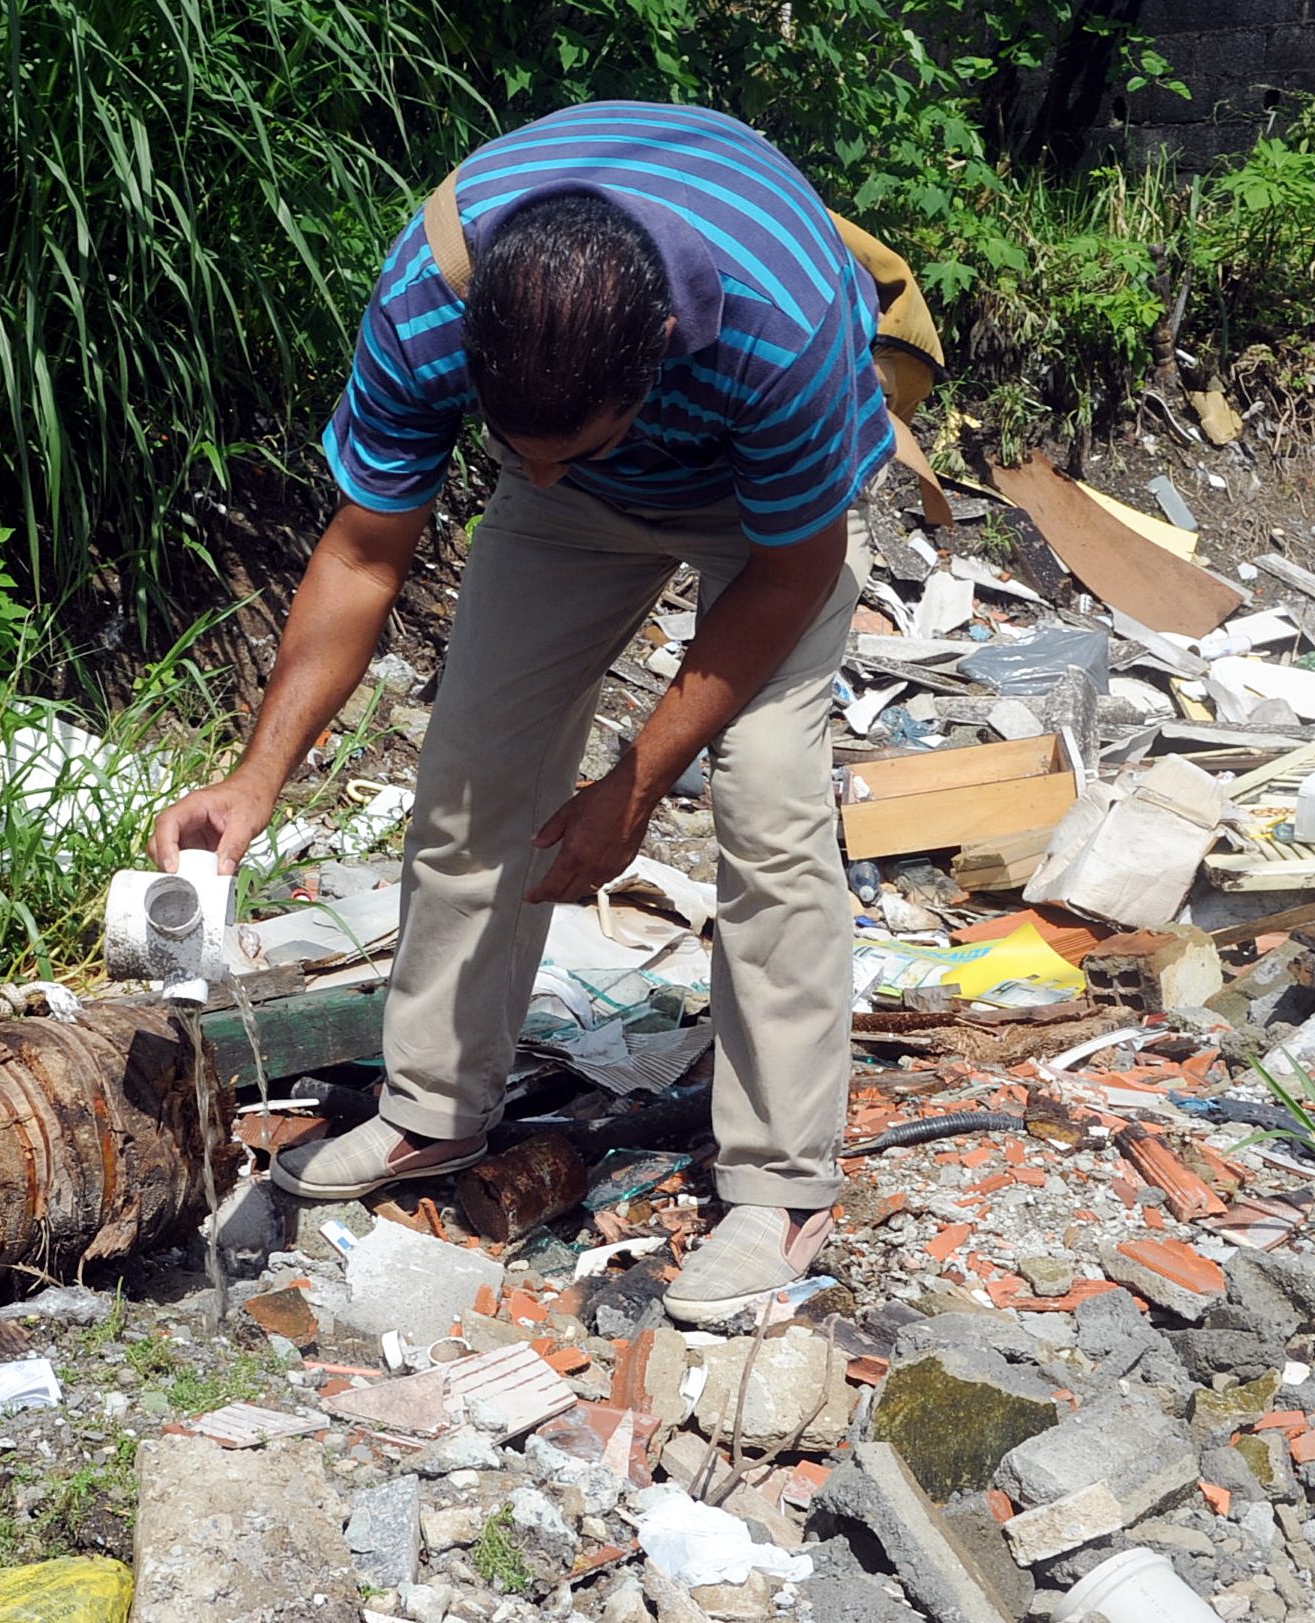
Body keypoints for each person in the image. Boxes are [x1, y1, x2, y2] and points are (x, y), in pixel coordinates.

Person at [148, 100, 892, 1325]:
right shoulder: (430, 294)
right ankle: (431, 1111)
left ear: (656, 348)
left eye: (560, 446)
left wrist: (634, 784)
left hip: (760, 524)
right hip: (586, 504)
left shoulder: (781, 322)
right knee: (472, 781)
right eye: (511, 447)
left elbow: (792, 575)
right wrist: (254, 779)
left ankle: (778, 1185)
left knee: (764, 810)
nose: (529, 472)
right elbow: (363, 551)